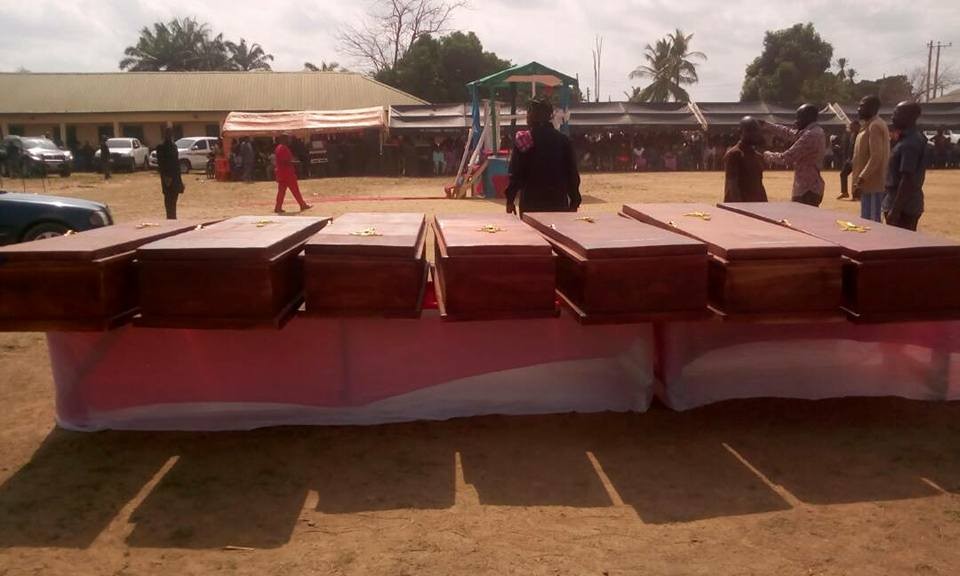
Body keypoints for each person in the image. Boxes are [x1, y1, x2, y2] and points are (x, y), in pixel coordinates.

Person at [504, 97, 581, 216]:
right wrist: (574, 201)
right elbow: (572, 174)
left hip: (531, 203)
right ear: (550, 116)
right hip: (557, 202)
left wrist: (510, 200)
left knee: (532, 234)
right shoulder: (563, 140)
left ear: (530, 117)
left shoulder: (524, 140)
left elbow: (516, 174)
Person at [761, 104, 826, 206]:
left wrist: (767, 154)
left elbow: (787, 158)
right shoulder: (812, 131)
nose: (796, 121)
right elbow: (789, 133)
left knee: (802, 220)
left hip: (807, 189)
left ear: (808, 118)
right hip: (810, 186)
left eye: (799, 117)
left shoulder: (811, 135)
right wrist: (766, 125)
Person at [883, 102, 926, 231]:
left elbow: (907, 179)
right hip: (899, 202)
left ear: (911, 116)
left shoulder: (910, 143)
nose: (893, 117)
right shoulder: (906, 139)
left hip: (904, 208)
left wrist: (895, 211)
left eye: (897, 113)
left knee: (899, 246)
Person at [851, 96, 890, 222]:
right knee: (866, 221)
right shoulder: (868, 126)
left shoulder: (875, 126)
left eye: (862, 106)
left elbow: (876, 157)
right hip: (866, 185)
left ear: (873, 108)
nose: (858, 109)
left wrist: (861, 179)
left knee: (873, 223)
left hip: (873, 184)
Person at [723, 116, 767, 203]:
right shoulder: (734, 154)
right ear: (740, 132)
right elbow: (732, 187)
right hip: (740, 209)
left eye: (757, 130)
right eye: (750, 130)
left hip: (756, 208)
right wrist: (741, 211)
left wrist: (764, 205)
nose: (755, 134)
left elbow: (759, 185)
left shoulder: (758, 156)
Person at [273, 134, 311, 214]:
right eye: (288, 139)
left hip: (281, 173)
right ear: (283, 139)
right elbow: (285, 161)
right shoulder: (283, 148)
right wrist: (295, 162)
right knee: (295, 190)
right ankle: (302, 205)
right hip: (287, 173)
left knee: (281, 191)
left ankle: (278, 207)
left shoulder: (279, 147)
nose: (289, 140)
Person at [155, 127, 185, 219]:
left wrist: (180, 181)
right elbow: (162, 165)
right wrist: (167, 177)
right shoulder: (162, 148)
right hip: (168, 178)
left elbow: (176, 164)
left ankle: (172, 217)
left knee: (172, 201)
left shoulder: (173, 146)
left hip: (174, 178)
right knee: (169, 201)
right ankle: (170, 218)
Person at [837, 120, 861, 199]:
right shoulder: (852, 135)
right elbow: (850, 148)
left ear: (857, 126)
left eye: (852, 126)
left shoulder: (861, 135)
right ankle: (844, 192)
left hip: (858, 160)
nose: (850, 127)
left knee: (857, 178)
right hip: (850, 160)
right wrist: (848, 158)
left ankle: (856, 195)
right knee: (843, 174)